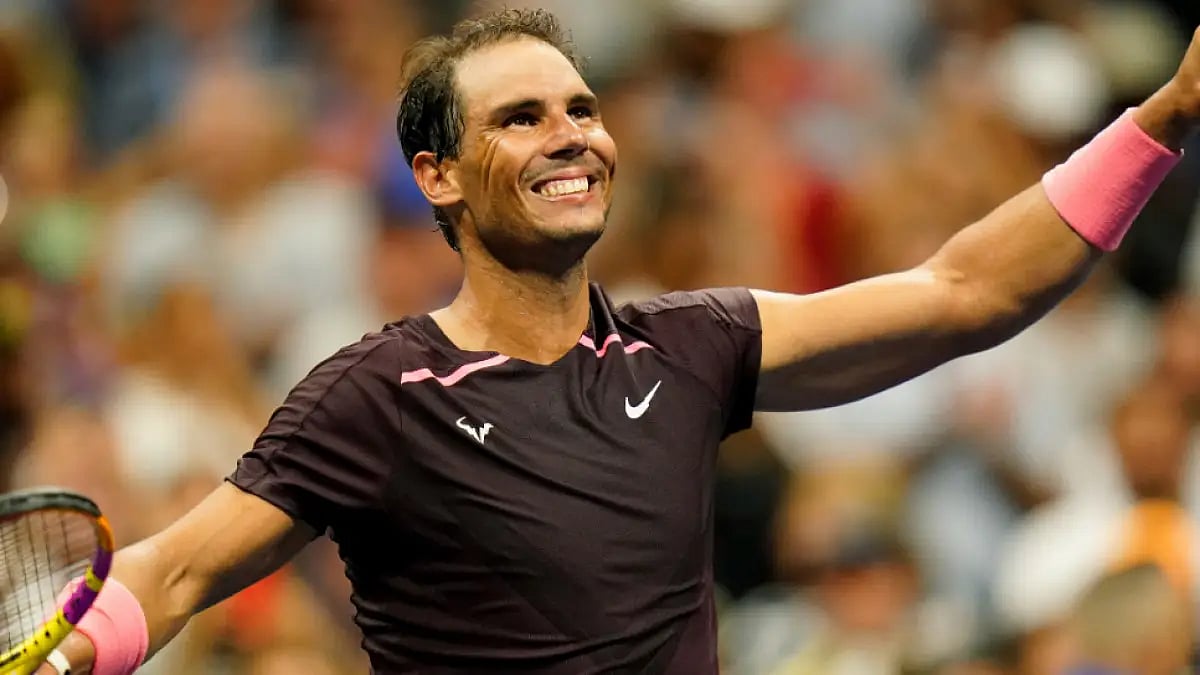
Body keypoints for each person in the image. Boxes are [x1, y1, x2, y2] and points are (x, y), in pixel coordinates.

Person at [35, 8, 1200, 675]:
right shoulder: (377, 394)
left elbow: (966, 292)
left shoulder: (692, 348)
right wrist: (67, 651)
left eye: (582, 108)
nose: (570, 135)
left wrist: (1164, 117)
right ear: (434, 175)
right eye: (522, 117)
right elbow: (176, 567)